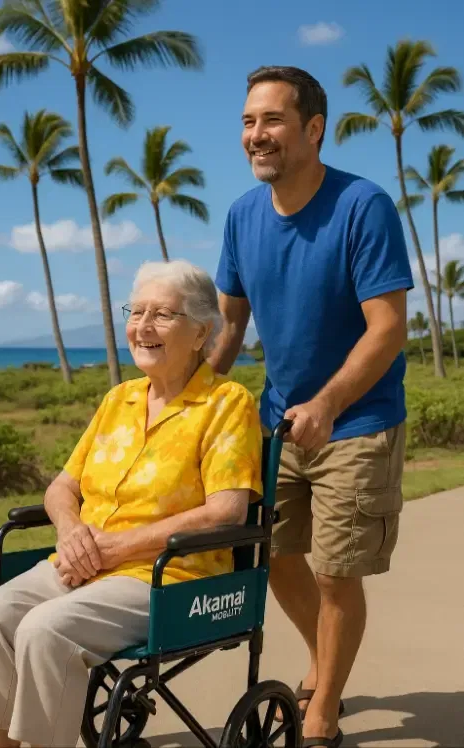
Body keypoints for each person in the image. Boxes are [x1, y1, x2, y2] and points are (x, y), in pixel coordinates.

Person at [0, 260, 263, 748]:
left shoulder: (227, 403)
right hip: (86, 561)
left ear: (201, 334)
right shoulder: (118, 400)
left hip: (169, 576)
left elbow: (225, 512)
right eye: (137, 311)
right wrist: (70, 530)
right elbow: (62, 487)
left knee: (46, 630)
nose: (143, 326)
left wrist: (116, 548)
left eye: (163, 314)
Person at [209, 66, 413, 748]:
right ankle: (326, 666)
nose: (254, 135)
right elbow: (229, 327)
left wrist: (327, 400)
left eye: (269, 120)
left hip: (356, 419)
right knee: (275, 558)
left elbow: (387, 327)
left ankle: (322, 707)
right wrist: (190, 402)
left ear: (312, 129)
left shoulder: (362, 206)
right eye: (246, 121)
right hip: (278, 420)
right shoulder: (241, 216)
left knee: (333, 570)